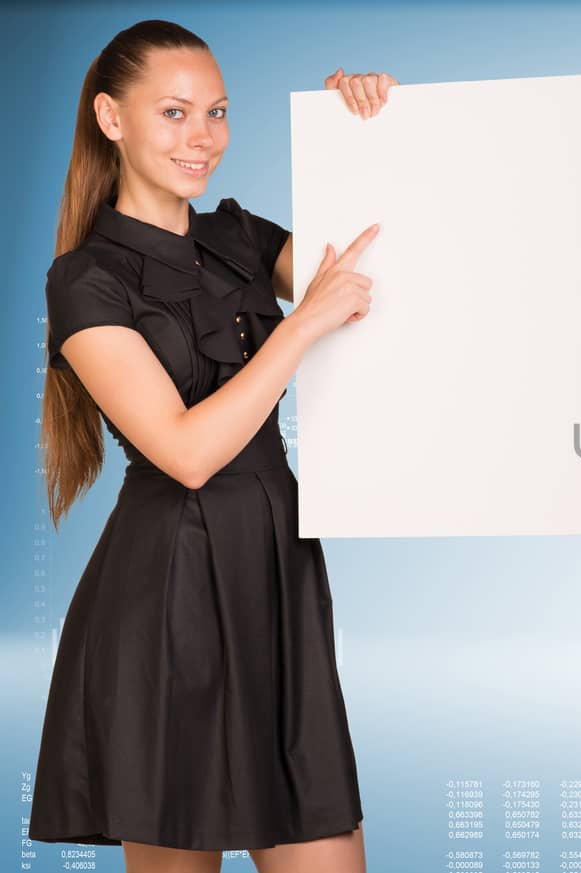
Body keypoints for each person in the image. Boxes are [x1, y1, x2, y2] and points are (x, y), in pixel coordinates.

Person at [31, 18, 396, 873]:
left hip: (279, 573)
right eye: (175, 112)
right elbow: (187, 452)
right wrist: (299, 326)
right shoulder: (86, 280)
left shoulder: (240, 237)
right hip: (167, 597)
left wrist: (369, 133)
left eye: (219, 112)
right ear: (111, 119)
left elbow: (382, 279)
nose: (204, 138)